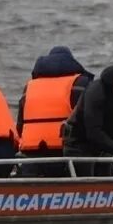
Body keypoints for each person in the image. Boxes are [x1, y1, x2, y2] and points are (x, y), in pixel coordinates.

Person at [16, 45, 93, 177]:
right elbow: (90, 120)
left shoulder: (29, 86)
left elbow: (20, 124)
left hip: (32, 154)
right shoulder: (80, 83)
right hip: (65, 153)